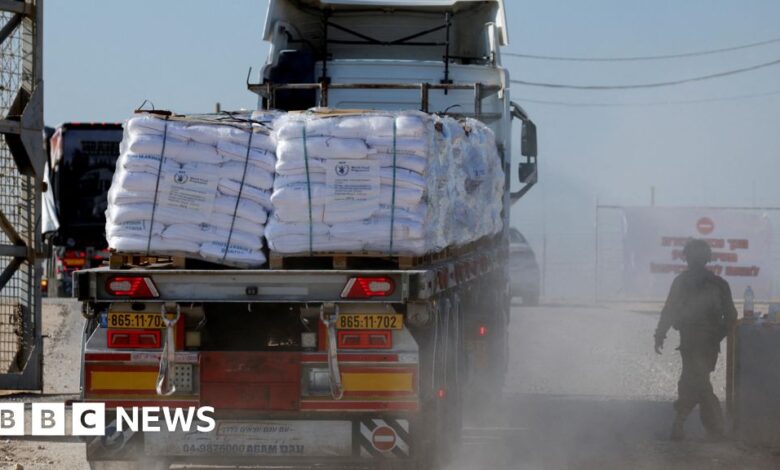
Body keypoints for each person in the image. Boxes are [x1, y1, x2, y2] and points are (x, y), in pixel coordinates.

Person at [654, 238, 737, 441]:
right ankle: (713, 428)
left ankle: (686, 423)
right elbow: (732, 317)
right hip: (704, 344)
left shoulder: (683, 282)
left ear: (687, 258)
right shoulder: (719, 284)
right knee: (699, 382)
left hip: (692, 343)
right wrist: (718, 335)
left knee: (694, 381)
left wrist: (660, 333)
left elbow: (669, 310)